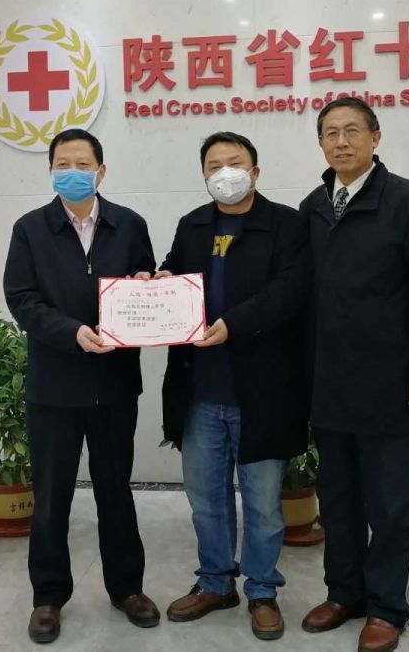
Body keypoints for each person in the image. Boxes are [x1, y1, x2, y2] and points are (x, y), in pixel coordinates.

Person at [298, 98, 409, 652]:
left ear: (375, 137)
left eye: (352, 131)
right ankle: (345, 592)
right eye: (331, 133)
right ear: (321, 143)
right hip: (328, 382)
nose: (341, 142)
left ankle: (388, 606)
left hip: (388, 382)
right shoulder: (313, 207)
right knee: (337, 498)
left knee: (390, 504)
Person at [148, 131, 309, 641]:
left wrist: (233, 325)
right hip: (200, 389)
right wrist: (158, 284)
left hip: (262, 390)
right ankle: (216, 582)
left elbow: (290, 291)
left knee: (262, 504)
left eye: (234, 162)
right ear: (203, 175)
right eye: (214, 165)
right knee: (206, 500)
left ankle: (262, 590)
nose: (225, 173)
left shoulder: (287, 224)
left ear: (255, 171)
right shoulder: (192, 224)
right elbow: (175, 272)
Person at [2, 129, 160, 645]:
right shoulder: (30, 229)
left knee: (116, 490)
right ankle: (48, 596)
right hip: (54, 386)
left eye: (82, 163)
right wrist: (71, 333)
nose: (72, 171)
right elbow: (21, 298)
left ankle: (127, 588)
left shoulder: (129, 224)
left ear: (101, 171)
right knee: (51, 497)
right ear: (50, 171)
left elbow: (145, 280)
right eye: (62, 164)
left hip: (115, 384)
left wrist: (146, 286)